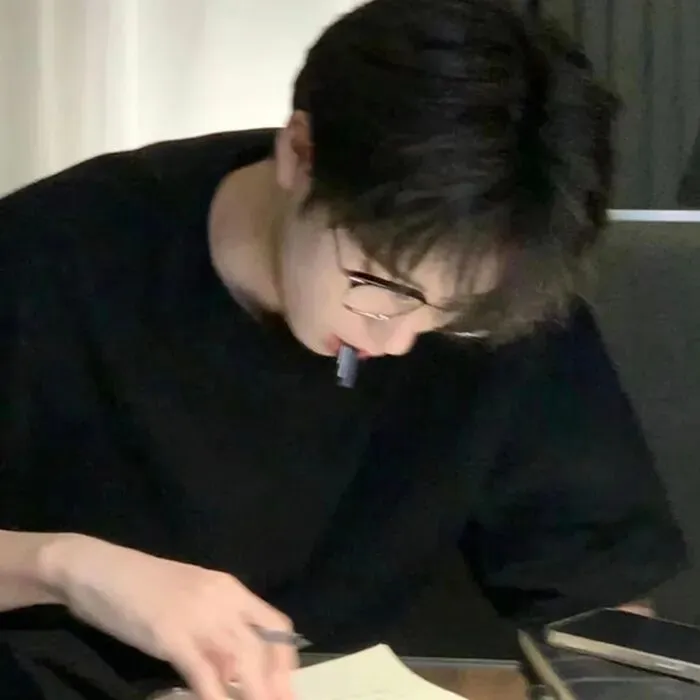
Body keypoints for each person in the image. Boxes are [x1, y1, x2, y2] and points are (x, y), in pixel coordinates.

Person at [0, 0, 688, 699]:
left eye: (454, 315)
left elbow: (595, 587)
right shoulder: (51, 256)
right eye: (379, 285)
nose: (395, 339)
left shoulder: (503, 290)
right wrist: (65, 568)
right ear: (300, 154)